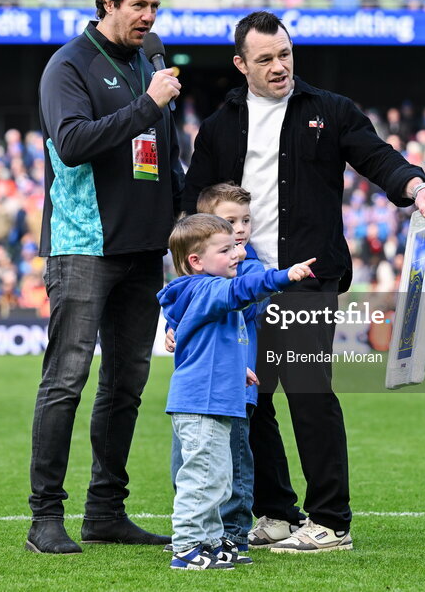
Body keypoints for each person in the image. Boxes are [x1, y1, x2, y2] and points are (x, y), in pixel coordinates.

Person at [183, 11, 425, 552]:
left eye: (284, 54)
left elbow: (376, 157)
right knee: (250, 399)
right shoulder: (217, 127)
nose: (279, 67)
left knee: (308, 391)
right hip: (242, 286)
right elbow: (192, 213)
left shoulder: (330, 110)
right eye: (265, 59)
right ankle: (277, 512)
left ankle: (331, 521)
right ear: (241, 65)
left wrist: (414, 185)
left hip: (308, 280)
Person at [26, 0, 184, 555]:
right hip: (85, 245)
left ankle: (105, 512)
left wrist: (184, 210)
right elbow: (70, 145)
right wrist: (147, 104)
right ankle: (45, 518)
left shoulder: (154, 56)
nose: (148, 17)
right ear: (107, 4)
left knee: (127, 385)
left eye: (154, 6)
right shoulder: (68, 66)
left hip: (146, 249)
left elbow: (161, 149)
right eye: (138, 5)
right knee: (66, 381)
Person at [158, 213, 315, 570]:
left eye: (237, 247)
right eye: (226, 250)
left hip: (211, 398)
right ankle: (186, 547)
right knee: (202, 478)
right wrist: (283, 276)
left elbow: (206, 344)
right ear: (196, 261)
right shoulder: (208, 288)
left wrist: (235, 369)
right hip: (202, 403)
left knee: (216, 478)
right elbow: (242, 290)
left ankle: (210, 542)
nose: (237, 255)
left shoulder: (205, 289)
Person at [167, 183, 263, 564]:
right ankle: (193, 542)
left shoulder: (241, 267)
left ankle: (223, 537)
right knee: (203, 470)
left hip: (232, 385)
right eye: (229, 222)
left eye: (245, 221)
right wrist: (174, 326)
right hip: (206, 392)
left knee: (225, 472)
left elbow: (246, 302)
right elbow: (185, 304)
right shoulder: (213, 277)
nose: (239, 230)